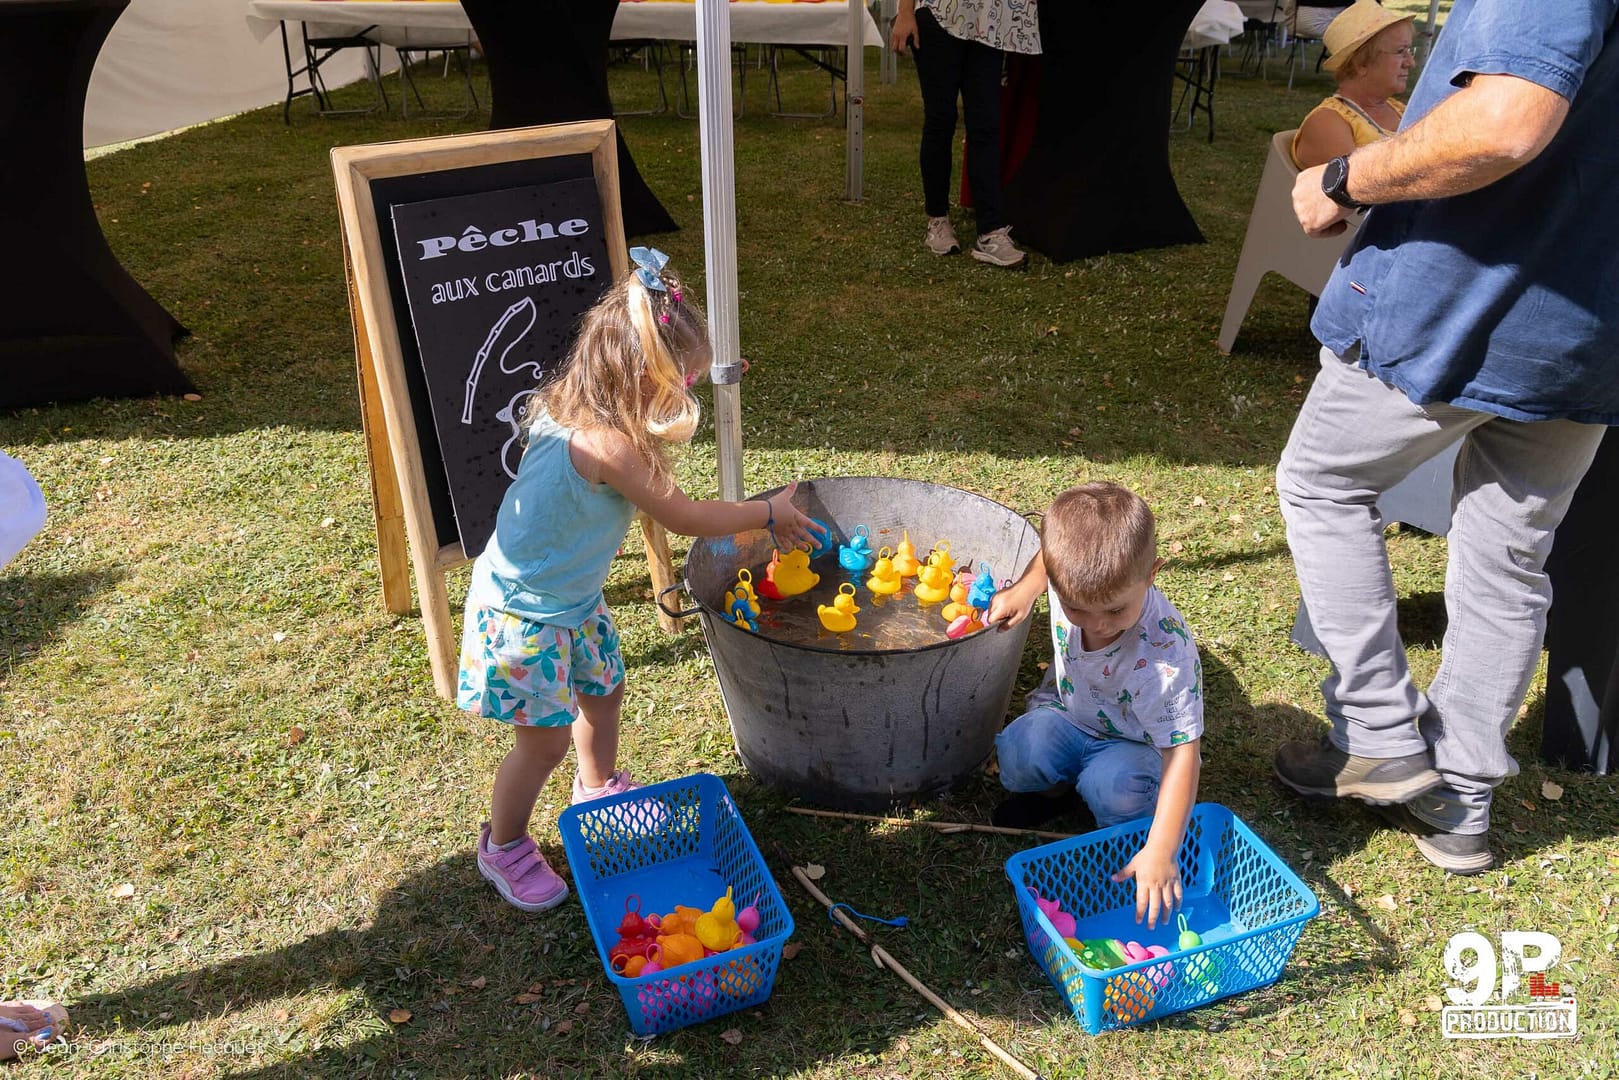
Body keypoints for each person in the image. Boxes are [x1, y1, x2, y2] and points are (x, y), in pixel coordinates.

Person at [1274, 0, 1619, 875]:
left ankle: (1378, 734)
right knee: (1510, 552)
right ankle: (1460, 793)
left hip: (1463, 296)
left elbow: (1505, 121)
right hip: (1592, 327)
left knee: (1321, 484)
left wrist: (1343, 177)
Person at [458, 249, 824, 912]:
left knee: (605, 690)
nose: (684, 394)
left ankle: (597, 790)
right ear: (639, 379)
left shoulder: (577, 396)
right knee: (540, 741)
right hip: (524, 614)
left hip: (569, 598)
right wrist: (766, 511)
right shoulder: (609, 447)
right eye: (679, 382)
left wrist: (708, 371)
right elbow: (686, 517)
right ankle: (503, 844)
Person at [986, 482, 1203, 929]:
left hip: (1133, 743)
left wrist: (1163, 848)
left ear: (1151, 574)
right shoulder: (1075, 579)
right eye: (1077, 610)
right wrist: (1028, 589)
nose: (1098, 626)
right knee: (1021, 751)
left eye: (1116, 612)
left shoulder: (1164, 657)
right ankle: (1054, 793)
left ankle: (1125, 836)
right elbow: (1049, 559)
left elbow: (1183, 754)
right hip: (1073, 711)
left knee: (1116, 788)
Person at [890, 0, 1038, 268]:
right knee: (941, 119)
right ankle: (938, 219)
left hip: (990, 20)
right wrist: (905, 13)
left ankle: (990, 232)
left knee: (986, 125)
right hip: (937, 16)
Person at [1291, 1, 1415, 170]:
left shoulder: (1398, 109)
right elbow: (1360, 189)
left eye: (1410, 51)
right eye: (1401, 51)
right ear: (1361, 63)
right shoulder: (1327, 122)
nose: (1410, 62)